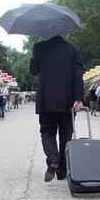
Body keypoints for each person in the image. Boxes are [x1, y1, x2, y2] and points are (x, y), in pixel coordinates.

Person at [30, 35, 83, 182]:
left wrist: (34, 56)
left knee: (47, 131)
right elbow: (78, 75)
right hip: (68, 100)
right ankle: (62, 171)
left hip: (46, 99)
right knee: (66, 135)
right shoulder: (73, 49)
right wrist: (78, 98)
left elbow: (33, 71)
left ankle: (53, 159)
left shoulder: (39, 47)